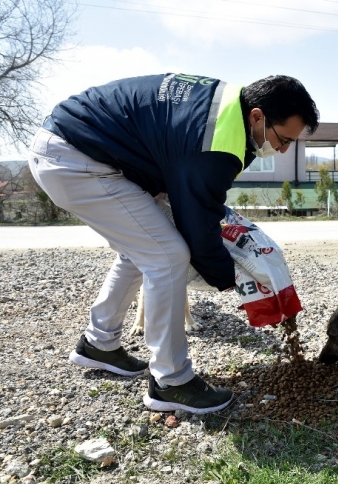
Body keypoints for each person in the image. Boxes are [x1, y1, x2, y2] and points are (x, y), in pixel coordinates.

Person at [27, 73, 319, 414]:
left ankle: (98, 343)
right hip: (75, 159)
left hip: (83, 147)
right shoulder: (217, 141)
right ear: (257, 116)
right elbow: (198, 224)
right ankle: (171, 381)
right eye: (282, 139)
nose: (282, 150)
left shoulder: (226, 110)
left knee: (143, 249)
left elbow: (196, 198)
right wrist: (231, 277)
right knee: (166, 256)